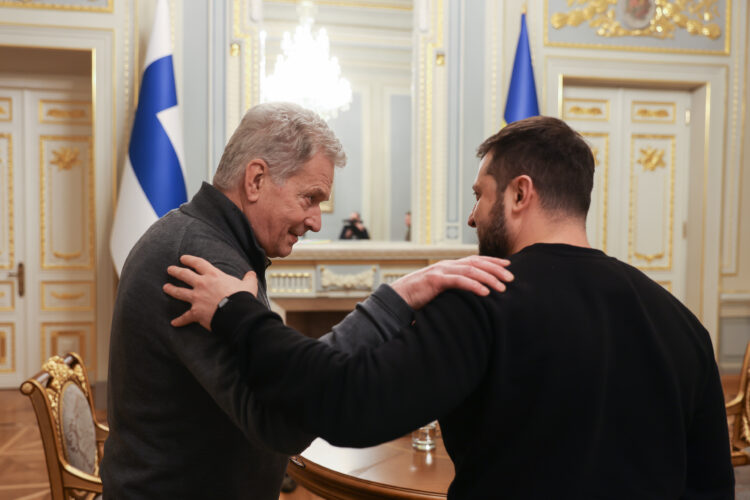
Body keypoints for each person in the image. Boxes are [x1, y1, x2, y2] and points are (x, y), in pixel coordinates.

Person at [164, 116, 734, 499]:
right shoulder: (684, 325)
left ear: (519, 194)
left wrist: (239, 312)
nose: (470, 218)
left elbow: (345, 404)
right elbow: (712, 487)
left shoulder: (484, 297)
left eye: (478, 195)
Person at [101, 102, 513, 500]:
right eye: (310, 198)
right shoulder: (199, 257)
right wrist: (393, 302)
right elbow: (284, 419)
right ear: (256, 180)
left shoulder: (208, 241)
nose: (316, 221)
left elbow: (280, 370)